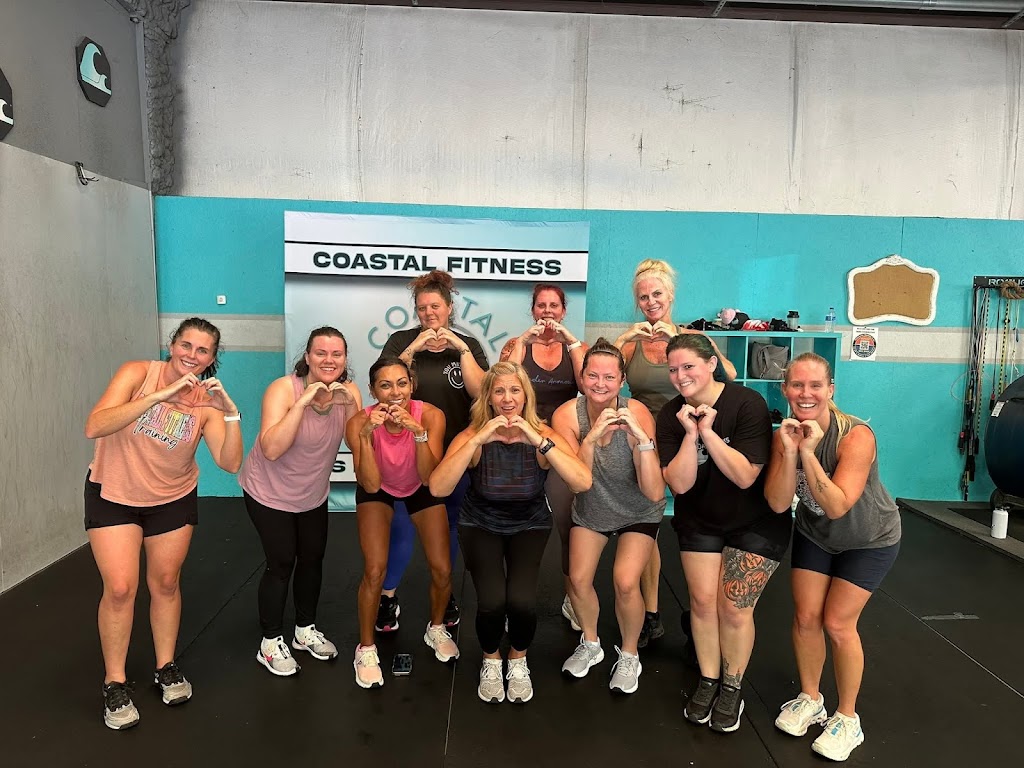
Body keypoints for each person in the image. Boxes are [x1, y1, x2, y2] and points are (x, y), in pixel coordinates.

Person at [84, 317, 243, 730]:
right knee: (120, 588)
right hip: (115, 494)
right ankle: (114, 682)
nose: (192, 355)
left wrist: (231, 415)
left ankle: (166, 666)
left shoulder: (206, 402)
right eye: (186, 345)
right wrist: (160, 395)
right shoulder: (138, 373)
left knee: (167, 583)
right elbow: (95, 425)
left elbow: (230, 463)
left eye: (203, 350)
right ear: (172, 345)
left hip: (171, 498)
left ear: (211, 358)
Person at [764, 353, 900, 762]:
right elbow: (777, 503)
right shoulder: (784, 435)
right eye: (797, 385)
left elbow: (838, 505)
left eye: (815, 386)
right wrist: (790, 452)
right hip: (816, 535)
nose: (805, 394)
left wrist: (808, 453)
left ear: (830, 389)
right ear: (785, 390)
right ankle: (811, 698)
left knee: (838, 623)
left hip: (870, 539)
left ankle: (847, 718)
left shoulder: (855, 436)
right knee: (806, 617)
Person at [429, 362, 591, 704]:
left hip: (529, 524)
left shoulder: (542, 434)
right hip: (480, 524)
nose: (507, 398)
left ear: (525, 395)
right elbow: (439, 488)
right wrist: (478, 439)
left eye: (515, 390)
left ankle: (518, 660)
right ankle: (491, 660)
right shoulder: (472, 435)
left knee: (521, 603)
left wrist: (539, 441)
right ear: (488, 397)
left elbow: (582, 482)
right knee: (491, 602)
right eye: (499, 391)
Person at [657, 333, 791, 733]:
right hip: (700, 519)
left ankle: (731, 686)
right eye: (673, 369)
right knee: (701, 603)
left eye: (688, 366)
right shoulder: (670, 414)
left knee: (733, 608)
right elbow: (679, 484)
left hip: (755, 522)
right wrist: (691, 434)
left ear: (711, 364)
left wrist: (710, 432)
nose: (680, 376)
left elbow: (745, 476)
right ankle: (708, 678)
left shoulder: (746, 403)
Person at [613, 258, 737, 648]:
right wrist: (623, 338)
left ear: (670, 296)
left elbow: (729, 375)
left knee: (698, 522)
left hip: (690, 437)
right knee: (646, 523)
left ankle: (703, 610)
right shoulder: (631, 342)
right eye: (643, 297)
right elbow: (597, 374)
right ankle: (651, 613)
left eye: (657, 294)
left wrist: (681, 339)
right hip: (646, 440)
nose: (651, 302)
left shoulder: (691, 338)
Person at [239, 327, 362, 677]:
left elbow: (358, 445)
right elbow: (271, 449)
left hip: (311, 494)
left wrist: (351, 406)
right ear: (307, 357)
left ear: (345, 359)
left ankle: (304, 630)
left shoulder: (348, 391)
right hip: (268, 491)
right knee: (281, 562)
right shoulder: (283, 389)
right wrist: (304, 401)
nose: (329, 360)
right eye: (320, 353)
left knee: (312, 559)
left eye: (336, 354)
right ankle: (270, 642)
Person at [376, 270, 489, 631]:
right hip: (406, 451)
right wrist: (414, 348)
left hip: (453, 452)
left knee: (449, 523)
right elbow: (385, 384)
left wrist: (461, 349)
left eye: (435, 306)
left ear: (449, 308)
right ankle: (387, 596)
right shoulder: (400, 341)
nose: (429, 313)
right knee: (401, 524)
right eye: (422, 308)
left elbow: (481, 393)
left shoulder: (466, 343)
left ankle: (445, 592)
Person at [552, 341, 665, 694]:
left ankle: (630, 654)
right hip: (593, 507)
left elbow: (654, 492)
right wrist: (592, 438)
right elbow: (578, 482)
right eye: (593, 375)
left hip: (637, 510)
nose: (600, 384)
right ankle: (591, 643)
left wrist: (641, 440)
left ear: (622, 381)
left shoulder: (637, 412)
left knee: (626, 581)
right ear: (582, 376)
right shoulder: (567, 416)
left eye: (609, 377)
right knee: (577, 579)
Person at [347, 357, 458, 689]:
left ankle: (436, 628)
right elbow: (369, 485)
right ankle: (366, 649)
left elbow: (427, 478)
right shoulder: (358, 422)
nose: (395, 392)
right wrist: (366, 437)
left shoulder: (432, 416)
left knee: (442, 569)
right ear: (373, 390)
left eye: (401, 383)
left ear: (412, 385)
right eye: (385, 385)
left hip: (420, 485)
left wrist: (418, 433)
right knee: (374, 570)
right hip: (378, 487)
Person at [499, 283, 587, 631]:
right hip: (520, 444)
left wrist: (572, 342)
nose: (547, 312)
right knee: (514, 527)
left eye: (554, 306)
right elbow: (502, 385)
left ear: (563, 311)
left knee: (568, 527)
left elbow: (587, 387)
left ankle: (572, 598)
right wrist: (523, 341)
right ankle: (513, 602)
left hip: (560, 445)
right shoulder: (515, 345)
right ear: (533, 310)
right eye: (541, 305)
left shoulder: (576, 348)